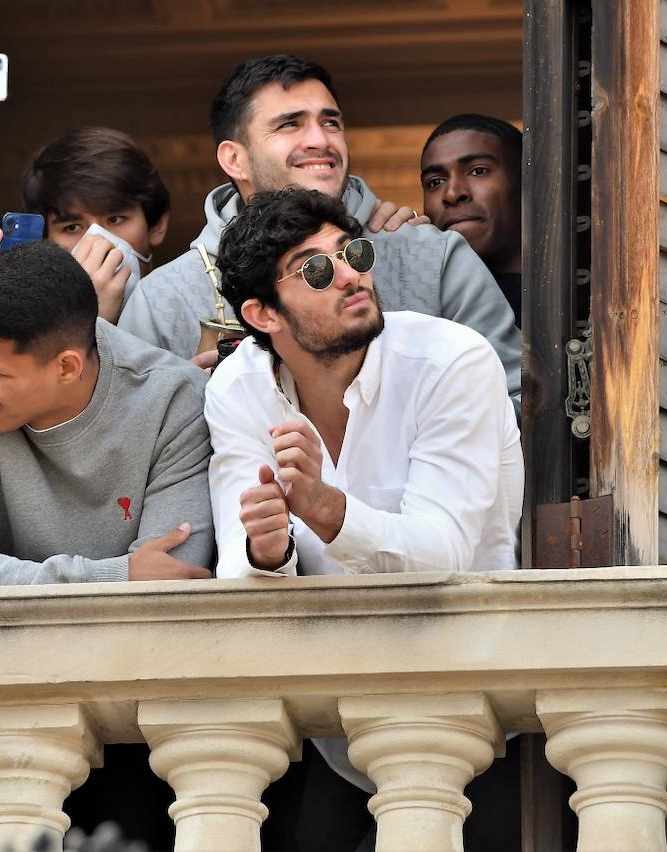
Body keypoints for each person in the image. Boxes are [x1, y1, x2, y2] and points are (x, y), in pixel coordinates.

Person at [207, 187, 522, 850]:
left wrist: (325, 509)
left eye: (352, 252)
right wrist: (266, 554)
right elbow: (240, 573)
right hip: (337, 732)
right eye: (315, 270)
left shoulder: (451, 361)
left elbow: (445, 556)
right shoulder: (237, 388)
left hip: (474, 719)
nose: (352, 274)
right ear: (262, 314)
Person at [0, 241, 214, 849]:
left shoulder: (170, 398)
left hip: (139, 723)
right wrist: (115, 576)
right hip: (0, 708)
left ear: (67, 365)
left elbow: (171, 584)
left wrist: (7, 580)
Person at [117, 54, 521, 411]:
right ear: (235, 159)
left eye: (331, 122)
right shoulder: (161, 299)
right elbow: (136, 453)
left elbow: (517, 403)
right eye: (290, 125)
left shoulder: (435, 258)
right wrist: (184, 412)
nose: (320, 140)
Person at [22, 126, 171, 323]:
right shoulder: (25, 332)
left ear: (157, 224)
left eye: (115, 219)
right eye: (72, 227)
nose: (98, 240)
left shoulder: (192, 312)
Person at [420, 114, 523, 326]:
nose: (452, 194)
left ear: (525, 180)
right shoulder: (419, 306)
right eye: (435, 182)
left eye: (478, 171)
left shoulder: (592, 291)